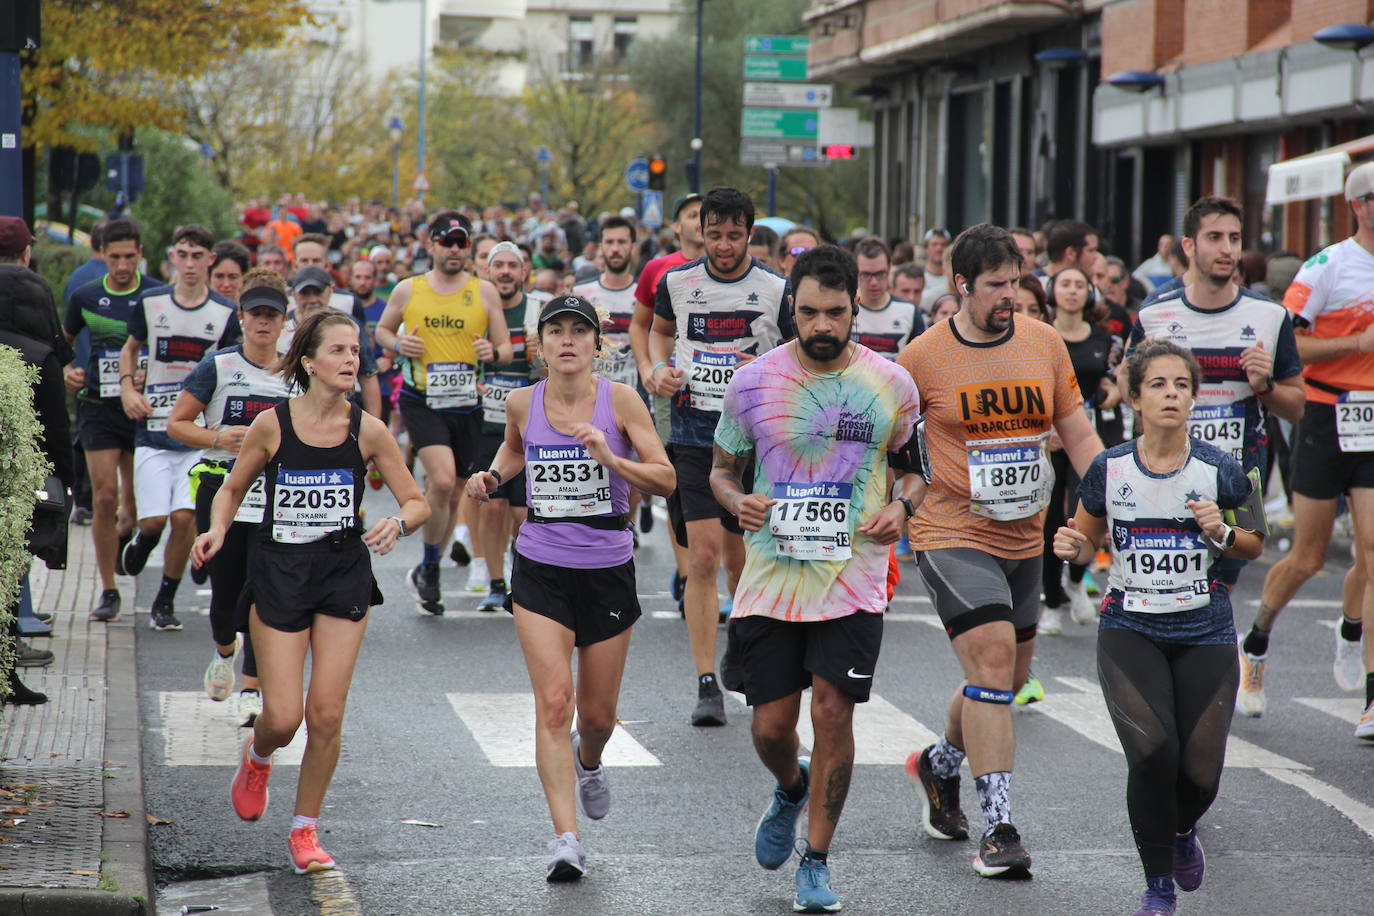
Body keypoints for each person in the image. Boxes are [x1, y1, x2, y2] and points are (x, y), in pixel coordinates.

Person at [710, 246, 923, 914]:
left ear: (855, 308)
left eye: (835, 312)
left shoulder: (891, 385)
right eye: (809, 312)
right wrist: (732, 499)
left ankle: (818, 859)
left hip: (853, 577)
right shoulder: (751, 383)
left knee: (833, 712)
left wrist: (902, 506)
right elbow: (719, 468)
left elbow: (916, 469)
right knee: (773, 729)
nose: (822, 324)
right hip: (771, 578)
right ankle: (791, 786)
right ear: (791, 310)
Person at [895, 223, 1103, 878]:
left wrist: (1108, 509)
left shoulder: (1044, 344)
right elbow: (891, 449)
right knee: (988, 658)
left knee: (1004, 681)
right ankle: (1000, 827)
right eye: (995, 286)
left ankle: (938, 766)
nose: (1010, 295)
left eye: (1015, 282)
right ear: (961, 287)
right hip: (951, 528)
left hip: (1025, 534)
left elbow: (1077, 434)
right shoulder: (922, 358)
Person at [194, 310, 428, 875]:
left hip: (342, 571)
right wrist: (218, 528)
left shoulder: (367, 429)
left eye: (356, 351)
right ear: (309, 362)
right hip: (279, 571)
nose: (352, 360)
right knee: (284, 716)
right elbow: (231, 489)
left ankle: (305, 829)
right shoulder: (272, 425)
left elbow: (418, 501)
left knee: (325, 713)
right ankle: (258, 757)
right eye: (340, 351)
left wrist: (398, 523)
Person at [465, 295, 674, 882]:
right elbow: (513, 449)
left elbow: (665, 477)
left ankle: (590, 759)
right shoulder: (520, 401)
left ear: (595, 345)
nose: (566, 341)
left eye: (578, 332)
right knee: (556, 703)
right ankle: (565, 839)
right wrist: (492, 476)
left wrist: (611, 456)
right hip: (540, 564)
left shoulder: (622, 401)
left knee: (599, 716)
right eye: (554, 331)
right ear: (539, 345)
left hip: (607, 564)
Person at [1053, 340, 1264, 916]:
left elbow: (1255, 540)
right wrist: (1073, 546)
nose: (1172, 394)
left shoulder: (1221, 467)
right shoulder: (1110, 467)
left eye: (1182, 385)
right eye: (1159, 385)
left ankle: (1179, 832)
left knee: (1199, 774)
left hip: (1205, 629)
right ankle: (1158, 885)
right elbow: (1086, 536)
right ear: (1136, 398)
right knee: (1151, 754)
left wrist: (1221, 531)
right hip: (1130, 626)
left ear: (1193, 397)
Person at [1127, 197, 1303, 652]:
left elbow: (1299, 406)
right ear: (1189, 245)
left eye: (1234, 239)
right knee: (1172, 587)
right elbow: (1132, 398)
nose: (1227, 249)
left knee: (1220, 589)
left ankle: (1212, 679)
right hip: (1169, 472)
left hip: (1242, 478)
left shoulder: (1269, 316)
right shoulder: (1154, 315)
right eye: (1214, 238)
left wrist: (1264, 387)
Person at [648, 187, 791, 727]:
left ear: (749, 233)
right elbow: (659, 336)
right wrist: (656, 370)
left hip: (755, 441)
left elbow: (796, 356)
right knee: (704, 557)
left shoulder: (776, 289)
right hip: (693, 431)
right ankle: (706, 681)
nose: (724, 245)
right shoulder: (677, 283)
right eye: (714, 234)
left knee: (742, 559)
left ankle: (743, 648)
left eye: (735, 235)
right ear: (698, 232)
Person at [1244, 163, 1374, 734]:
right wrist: (1358, 341)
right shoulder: (1329, 265)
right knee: (1309, 557)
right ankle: (1256, 643)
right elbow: (1287, 342)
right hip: (1327, 413)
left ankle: (1368, 681)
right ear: (1356, 206)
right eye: (1370, 198)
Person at [169, 271, 294, 724]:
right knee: (225, 598)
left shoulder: (298, 372)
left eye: (272, 315)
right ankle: (225, 649)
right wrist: (219, 439)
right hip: (222, 493)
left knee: (266, 593)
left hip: (278, 501)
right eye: (255, 314)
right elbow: (177, 423)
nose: (263, 322)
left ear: (284, 323)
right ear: (241, 318)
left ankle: (253, 688)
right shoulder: (217, 367)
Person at [374, 211, 512, 614]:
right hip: (422, 399)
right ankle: (432, 567)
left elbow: (505, 349)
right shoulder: (408, 290)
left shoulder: (483, 292)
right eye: (445, 242)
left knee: (454, 492)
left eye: (461, 243)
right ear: (430, 245)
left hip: (467, 403)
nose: (453, 249)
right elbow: (381, 332)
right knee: (443, 477)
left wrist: (492, 352)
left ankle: (428, 561)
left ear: (468, 249)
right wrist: (399, 346)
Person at [118, 224, 241, 631]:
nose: (190, 264)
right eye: (183, 255)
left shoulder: (224, 313)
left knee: (185, 518)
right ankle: (144, 541)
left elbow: (231, 367)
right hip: (153, 431)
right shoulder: (151, 303)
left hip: (197, 437)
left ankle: (165, 599)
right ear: (172, 256)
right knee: (154, 521)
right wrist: (127, 389)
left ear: (210, 260)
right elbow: (130, 348)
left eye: (198, 256)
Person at [63, 219, 157, 621]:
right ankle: (108, 590)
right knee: (104, 496)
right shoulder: (85, 296)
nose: (121, 266)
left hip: (141, 408)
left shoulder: (156, 296)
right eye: (114, 257)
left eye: (129, 257)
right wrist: (68, 369)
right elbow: (60, 343)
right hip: (98, 405)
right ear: (103, 255)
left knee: (133, 505)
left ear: (139, 254)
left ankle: (124, 537)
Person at [0, 217, 75, 699]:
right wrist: (65, 487)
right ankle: (6, 673)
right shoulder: (38, 357)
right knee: (7, 578)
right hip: (16, 486)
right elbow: (56, 433)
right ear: (27, 254)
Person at [1039, 267, 1123, 636]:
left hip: (1089, 436)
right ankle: (1052, 603)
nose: (1072, 291)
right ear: (1051, 292)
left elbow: (1120, 382)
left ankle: (1075, 579)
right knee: (1049, 522)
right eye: (1064, 284)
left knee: (1087, 513)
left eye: (1079, 285)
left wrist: (1112, 392)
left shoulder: (1105, 340)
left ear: (1089, 293)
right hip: (1046, 438)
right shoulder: (1040, 337)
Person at [470, 241, 539, 610]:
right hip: (488, 420)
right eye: (500, 265)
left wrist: (536, 356)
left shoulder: (537, 311)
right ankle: (495, 581)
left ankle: (518, 571)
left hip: (527, 423)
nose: (506, 272)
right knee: (492, 505)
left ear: (524, 272)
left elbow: (554, 367)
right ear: (487, 271)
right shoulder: (475, 310)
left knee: (521, 513)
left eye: (514, 265)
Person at [853, 236, 924, 360]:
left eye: (880, 274)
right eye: (866, 274)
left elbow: (920, 362)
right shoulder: (844, 309)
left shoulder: (909, 311)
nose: (874, 282)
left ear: (889, 268)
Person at [918, 228, 951, 312]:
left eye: (943, 245)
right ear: (926, 248)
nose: (939, 249)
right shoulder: (918, 276)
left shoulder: (954, 278)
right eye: (934, 244)